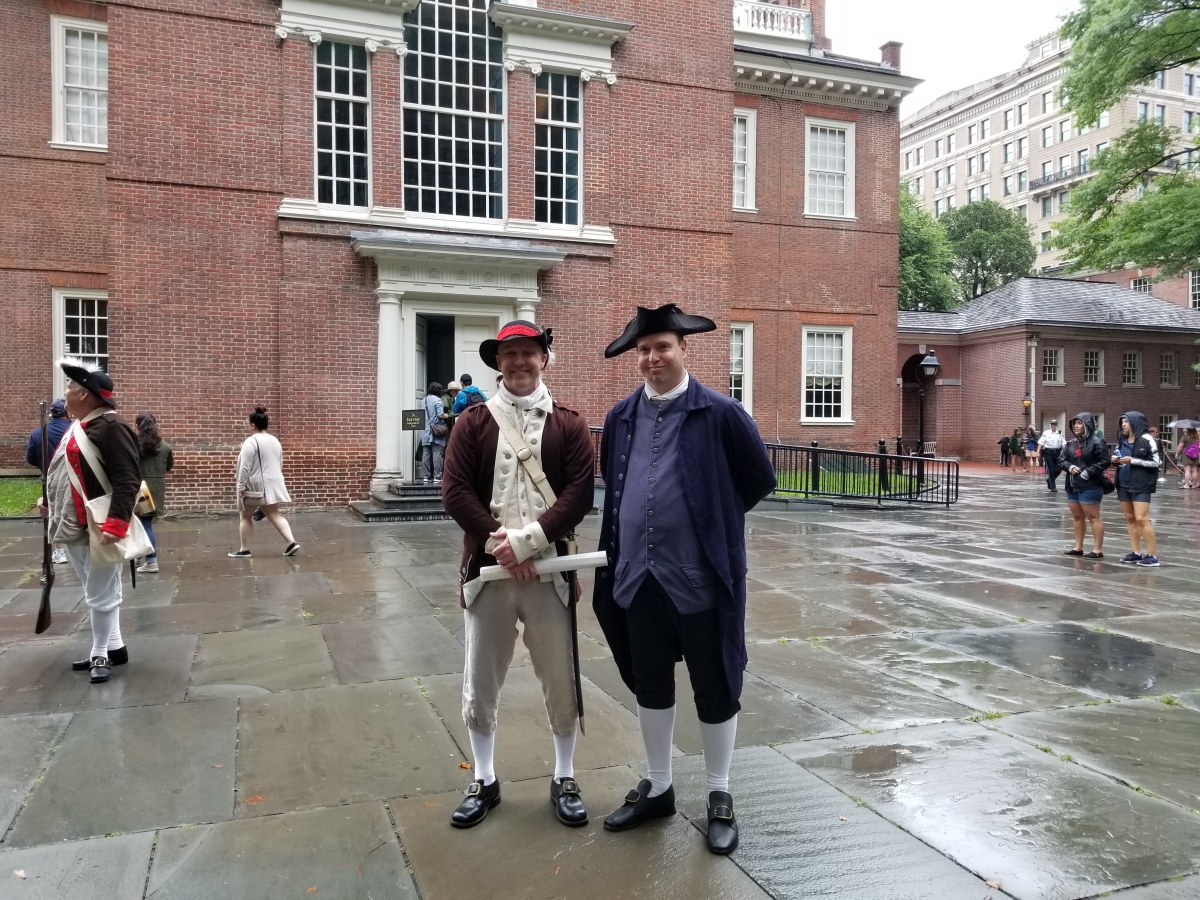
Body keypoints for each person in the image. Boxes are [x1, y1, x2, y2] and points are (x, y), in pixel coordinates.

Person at [592, 304, 776, 855]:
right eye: (644, 350)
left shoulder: (721, 413)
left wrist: (710, 521)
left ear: (683, 350)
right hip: (637, 579)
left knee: (714, 684)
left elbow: (757, 479)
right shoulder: (621, 417)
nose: (652, 358)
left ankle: (719, 793)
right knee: (650, 683)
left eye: (662, 347)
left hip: (701, 578)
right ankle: (660, 786)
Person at [441, 321, 595, 829]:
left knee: (560, 678)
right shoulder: (473, 422)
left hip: (551, 572)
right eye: (510, 354)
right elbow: (456, 492)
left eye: (529, 352)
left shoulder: (570, 424)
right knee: (480, 681)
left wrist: (528, 542)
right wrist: (500, 545)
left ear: (544, 359)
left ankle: (564, 775)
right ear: (498, 362)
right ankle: (484, 778)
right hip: (487, 573)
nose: (519, 362)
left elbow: (579, 495)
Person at [37, 359, 140, 685]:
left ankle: (100, 653)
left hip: (97, 524)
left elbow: (128, 479)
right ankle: (115, 646)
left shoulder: (111, 426)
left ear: (84, 394)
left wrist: (116, 524)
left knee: (100, 593)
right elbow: (66, 471)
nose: (65, 394)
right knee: (99, 589)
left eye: (69, 388)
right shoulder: (81, 425)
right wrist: (50, 501)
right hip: (77, 522)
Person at [229, 406, 298, 558]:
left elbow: (245, 467)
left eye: (248, 423)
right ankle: (291, 542)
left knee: (245, 517)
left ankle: (244, 550)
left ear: (253, 425)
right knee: (274, 514)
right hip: (274, 483)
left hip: (256, 485)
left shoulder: (251, 441)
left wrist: (240, 486)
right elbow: (279, 463)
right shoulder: (275, 441)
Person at [26, 398, 71, 564]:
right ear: (67, 413)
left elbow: (30, 457)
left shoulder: (39, 433)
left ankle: (60, 552)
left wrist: (43, 466)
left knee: (53, 513)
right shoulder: (74, 430)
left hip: (49, 478)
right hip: (72, 477)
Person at [1113, 412, 1161, 567]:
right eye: (1122, 422)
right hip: (1123, 482)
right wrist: (1116, 461)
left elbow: (1156, 462)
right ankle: (1136, 553)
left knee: (1142, 518)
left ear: (1135, 422)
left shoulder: (1147, 439)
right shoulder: (1122, 439)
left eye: (1126, 421)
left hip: (1141, 484)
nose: (1123, 424)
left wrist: (1134, 460)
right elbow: (1121, 458)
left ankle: (1152, 555)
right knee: (1130, 518)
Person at [1061, 413, 1109, 559]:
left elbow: (1104, 461)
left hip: (1091, 485)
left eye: (1079, 423)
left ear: (1087, 425)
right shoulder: (1070, 443)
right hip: (1072, 484)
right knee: (1077, 517)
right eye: (1074, 423)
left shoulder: (1097, 442)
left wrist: (1088, 472)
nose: (1076, 426)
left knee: (1093, 517)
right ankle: (1078, 547)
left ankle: (1097, 549)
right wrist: (1069, 467)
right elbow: (1061, 460)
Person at [134, 413, 174, 574]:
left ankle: (151, 561)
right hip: (156, 487)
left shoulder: (135, 445)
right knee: (143, 523)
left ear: (137, 427)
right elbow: (169, 466)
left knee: (144, 524)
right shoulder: (164, 446)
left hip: (141, 488)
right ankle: (139, 554)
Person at [421, 382, 448, 484]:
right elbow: (440, 415)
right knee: (437, 453)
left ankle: (425, 476)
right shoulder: (438, 400)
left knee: (426, 454)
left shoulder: (423, 400)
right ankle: (437, 476)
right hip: (436, 430)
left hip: (425, 431)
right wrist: (447, 415)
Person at [1038, 419, 1066, 492]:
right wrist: (1038, 452)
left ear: (1056, 425)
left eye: (1054, 424)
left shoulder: (1060, 433)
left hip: (1057, 453)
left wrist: (1066, 453)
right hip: (1048, 453)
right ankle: (1053, 486)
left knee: (1059, 469)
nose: (1053, 426)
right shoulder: (1046, 433)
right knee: (1051, 470)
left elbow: (1063, 444)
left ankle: (1049, 480)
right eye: (1052, 424)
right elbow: (1040, 443)